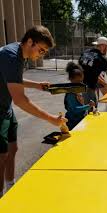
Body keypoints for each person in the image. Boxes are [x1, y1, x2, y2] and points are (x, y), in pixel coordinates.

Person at [0, 25, 67, 197]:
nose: (41, 55)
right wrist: (51, 119)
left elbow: (14, 78)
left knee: (12, 149)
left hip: (5, 107)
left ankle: (10, 187)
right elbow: (20, 100)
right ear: (30, 41)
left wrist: (37, 85)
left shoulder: (19, 54)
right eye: (41, 50)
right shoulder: (11, 56)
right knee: (1, 156)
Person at [78, 36, 107, 105]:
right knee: (92, 108)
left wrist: (105, 84)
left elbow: (92, 71)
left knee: (86, 106)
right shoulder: (101, 60)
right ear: (102, 46)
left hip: (80, 85)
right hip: (89, 87)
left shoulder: (85, 53)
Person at [64, 62, 95, 130]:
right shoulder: (71, 93)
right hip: (72, 122)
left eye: (81, 81)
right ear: (71, 79)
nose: (80, 83)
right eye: (78, 81)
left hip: (79, 120)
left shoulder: (77, 90)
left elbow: (80, 104)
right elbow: (75, 109)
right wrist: (88, 106)